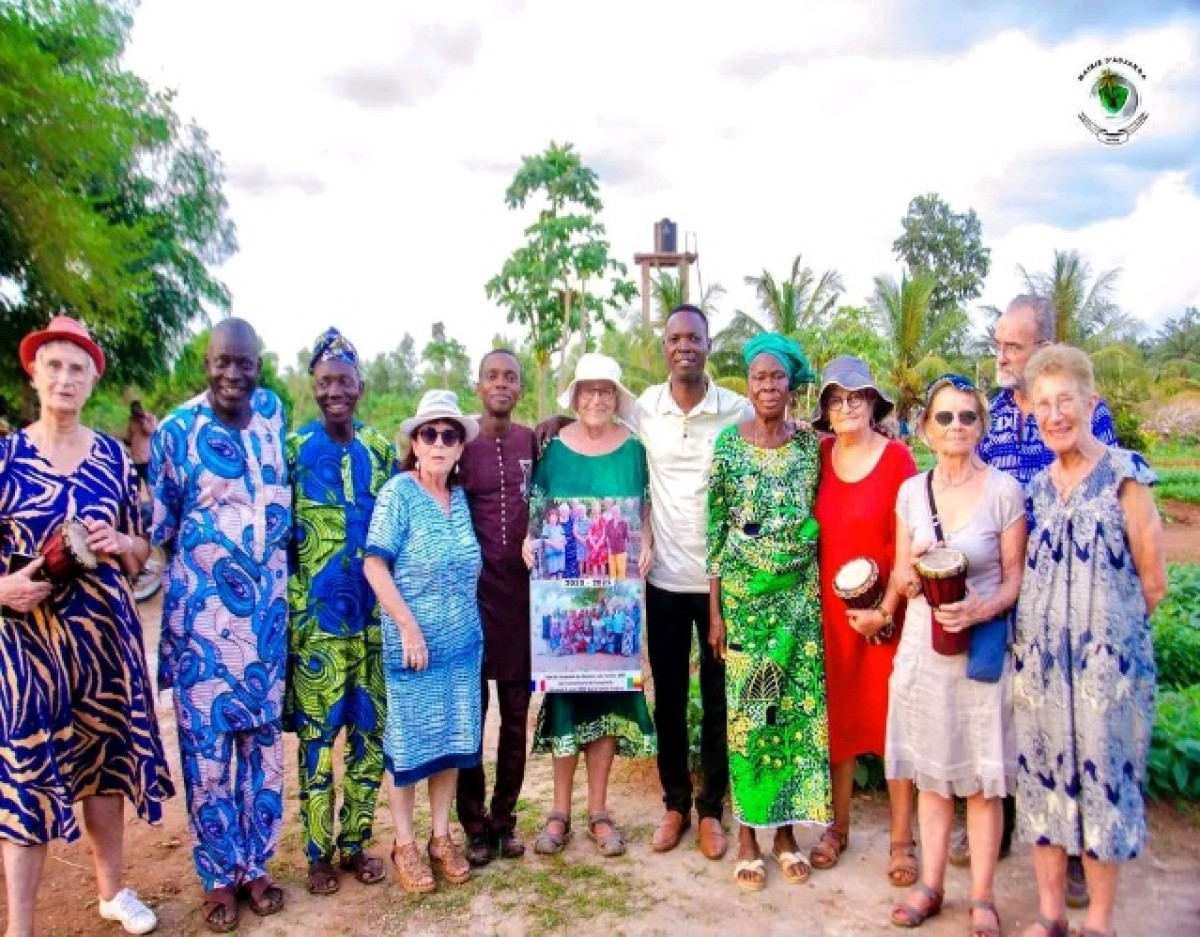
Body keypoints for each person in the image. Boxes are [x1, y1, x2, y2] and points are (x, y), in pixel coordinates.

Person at [0, 316, 173, 937]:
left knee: (104, 766)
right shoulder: (6, 459)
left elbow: (141, 554)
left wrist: (122, 538)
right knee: (27, 780)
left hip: (104, 642)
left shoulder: (111, 458)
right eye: (54, 365)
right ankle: (20, 925)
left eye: (77, 368)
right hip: (30, 648)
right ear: (35, 372)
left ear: (92, 377)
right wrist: (5, 588)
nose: (65, 378)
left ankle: (112, 891)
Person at [1013, 346, 1166, 937]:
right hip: (1042, 673)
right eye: (1043, 404)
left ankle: (1098, 922)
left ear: (1091, 404)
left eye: (1066, 401)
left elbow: (1152, 583)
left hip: (1109, 676)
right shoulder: (1035, 489)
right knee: (1043, 787)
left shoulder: (1126, 477)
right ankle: (1050, 915)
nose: (1055, 415)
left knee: (1105, 789)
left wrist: (1105, 641)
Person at [974, 294, 1120, 907]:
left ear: (1045, 349)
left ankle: (1084, 850)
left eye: (1013, 345)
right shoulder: (997, 415)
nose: (1002, 355)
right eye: (999, 344)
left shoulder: (1086, 414)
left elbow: (1112, 502)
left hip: (1073, 598)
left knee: (1077, 725)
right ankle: (999, 826)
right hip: (1008, 592)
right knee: (1008, 715)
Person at [150, 317, 292, 932]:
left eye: (245, 362)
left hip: (266, 621)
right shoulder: (176, 432)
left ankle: (257, 866)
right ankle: (217, 877)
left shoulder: (272, 414)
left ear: (259, 365)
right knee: (208, 758)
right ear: (205, 362)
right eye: (222, 362)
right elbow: (161, 525)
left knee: (263, 753)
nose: (233, 374)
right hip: (203, 629)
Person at [886, 374, 1026, 937]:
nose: (956, 427)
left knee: (982, 784)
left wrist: (981, 609)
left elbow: (1016, 580)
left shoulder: (1004, 492)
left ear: (981, 425)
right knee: (933, 776)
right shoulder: (911, 493)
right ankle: (931, 885)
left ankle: (984, 897)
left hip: (979, 652)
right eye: (944, 418)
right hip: (924, 646)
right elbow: (900, 574)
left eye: (967, 417)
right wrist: (914, 570)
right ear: (926, 428)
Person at [706, 333, 831, 892]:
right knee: (750, 716)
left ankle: (784, 835)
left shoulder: (809, 448)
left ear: (791, 384)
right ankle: (748, 836)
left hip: (798, 607)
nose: (769, 386)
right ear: (748, 384)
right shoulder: (729, 447)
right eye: (759, 377)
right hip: (746, 607)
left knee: (792, 717)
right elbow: (713, 532)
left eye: (778, 377)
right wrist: (715, 612)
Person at [631, 304, 752, 860]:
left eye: (694, 337)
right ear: (665, 346)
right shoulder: (645, 408)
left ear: (708, 345)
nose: (685, 346)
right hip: (664, 579)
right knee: (673, 698)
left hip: (721, 582)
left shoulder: (737, 409)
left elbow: (773, 442)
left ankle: (710, 809)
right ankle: (675, 802)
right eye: (676, 337)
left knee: (719, 695)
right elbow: (602, 427)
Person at [523, 353, 656, 859]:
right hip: (562, 601)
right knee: (566, 699)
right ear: (575, 397)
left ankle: (599, 811)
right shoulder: (554, 452)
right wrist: (528, 543)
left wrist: (648, 542)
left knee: (605, 697)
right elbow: (538, 513)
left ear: (616, 397)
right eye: (588, 390)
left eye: (606, 391)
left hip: (615, 602)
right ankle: (559, 812)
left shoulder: (635, 451)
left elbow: (645, 508)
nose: (597, 399)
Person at [284, 328, 395, 895]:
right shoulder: (295, 451)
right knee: (317, 742)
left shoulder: (380, 451)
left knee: (370, 737)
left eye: (344, 381)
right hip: (317, 630)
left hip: (374, 624)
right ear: (314, 386)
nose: (335, 391)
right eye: (325, 382)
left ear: (361, 386)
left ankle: (354, 844)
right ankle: (316, 854)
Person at [363, 390, 483, 894]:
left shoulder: (459, 500)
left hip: (461, 648)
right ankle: (405, 844)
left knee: (452, 744)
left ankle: (440, 838)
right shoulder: (398, 493)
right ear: (414, 442)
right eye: (429, 433)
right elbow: (374, 564)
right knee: (410, 749)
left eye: (448, 435)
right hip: (415, 649)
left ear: (459, 447)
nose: (438, 442)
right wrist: (408, 625)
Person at [810, 356, 918, 884]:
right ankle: (838, 826)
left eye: (855, 396)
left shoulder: (898, 459)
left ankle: (902, 840)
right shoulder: (820, 454)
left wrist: (885, 610)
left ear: (873, 403)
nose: (845, 406)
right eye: (834, 398)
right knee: (840, 721)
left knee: (894, 723)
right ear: (824, 411)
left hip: (887, 613)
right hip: (830, 615)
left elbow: (909, 543)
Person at [455, 349, 538, 867]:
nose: (501, 383)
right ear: (478, 386)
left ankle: (505, 820)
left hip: (522, 601)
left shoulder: (535, 440)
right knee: (470, 717)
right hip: (471, 599)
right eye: (492, 376)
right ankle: (473, 825)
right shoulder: (459, 443)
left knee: (513, 718)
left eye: (510, 376)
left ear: (521, 388)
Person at [125, 400, 157, 496]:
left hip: (147, 458)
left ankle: (154, 506)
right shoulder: (132, 421)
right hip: (135, 459)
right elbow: (129, 437)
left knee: (150, 484)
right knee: (135, 485)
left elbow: (151, 431)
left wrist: (143, 420)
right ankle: (137, 506)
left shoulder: (150, 418)